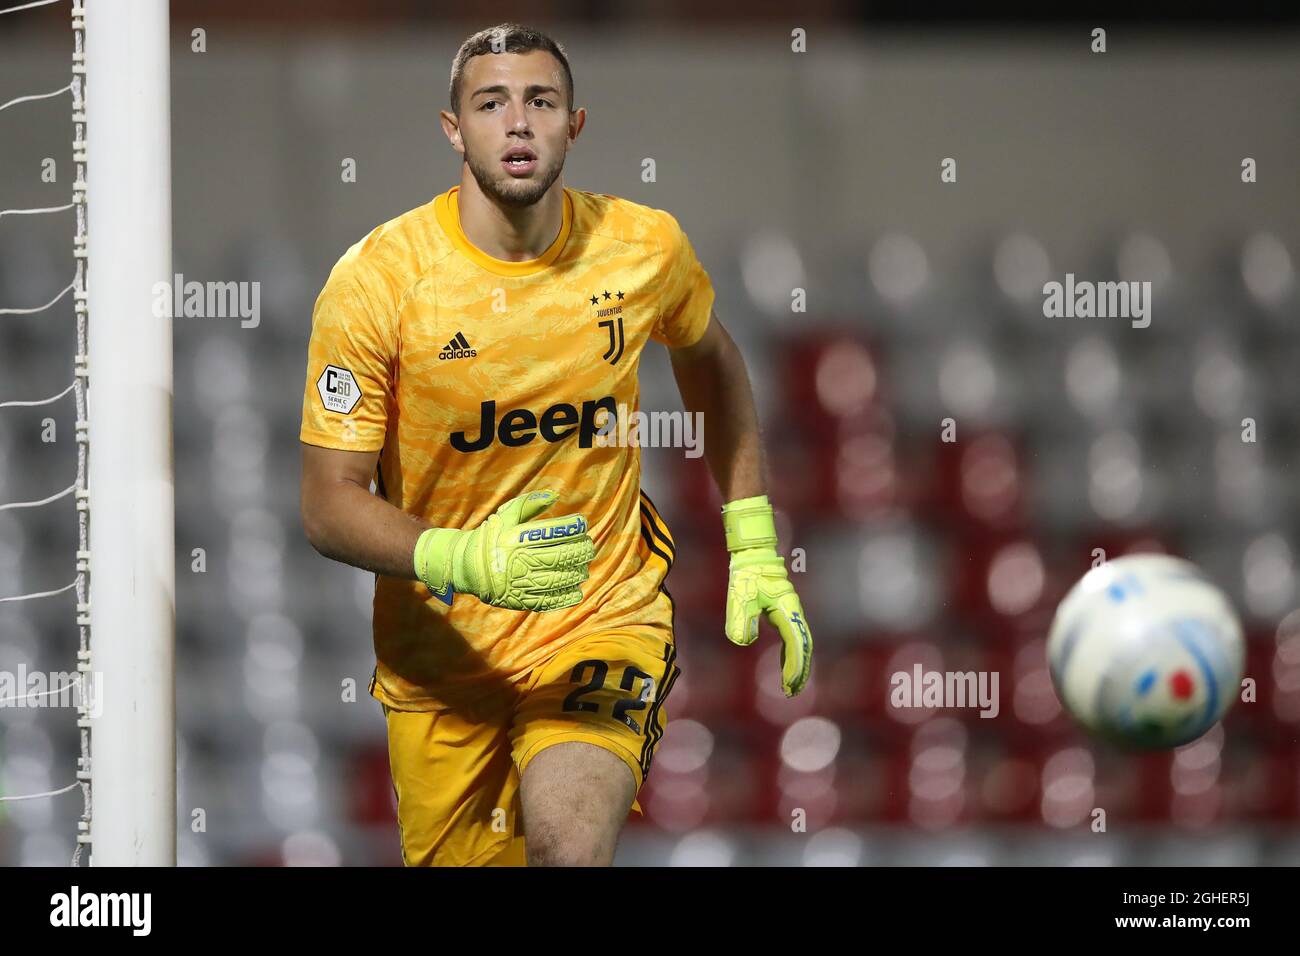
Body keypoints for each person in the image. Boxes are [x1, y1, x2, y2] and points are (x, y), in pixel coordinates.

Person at [299, 22, 811, 867]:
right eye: (490, 103)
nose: (518, 123)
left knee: (568, 853)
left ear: (575, 124)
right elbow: (326, 504)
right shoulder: (378, 284)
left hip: (600, 617)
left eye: (540, 101)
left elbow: (711, 360)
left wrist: (752, 538)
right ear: (452, 129)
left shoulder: (642, 248)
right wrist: (463, 560)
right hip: (444, 668)